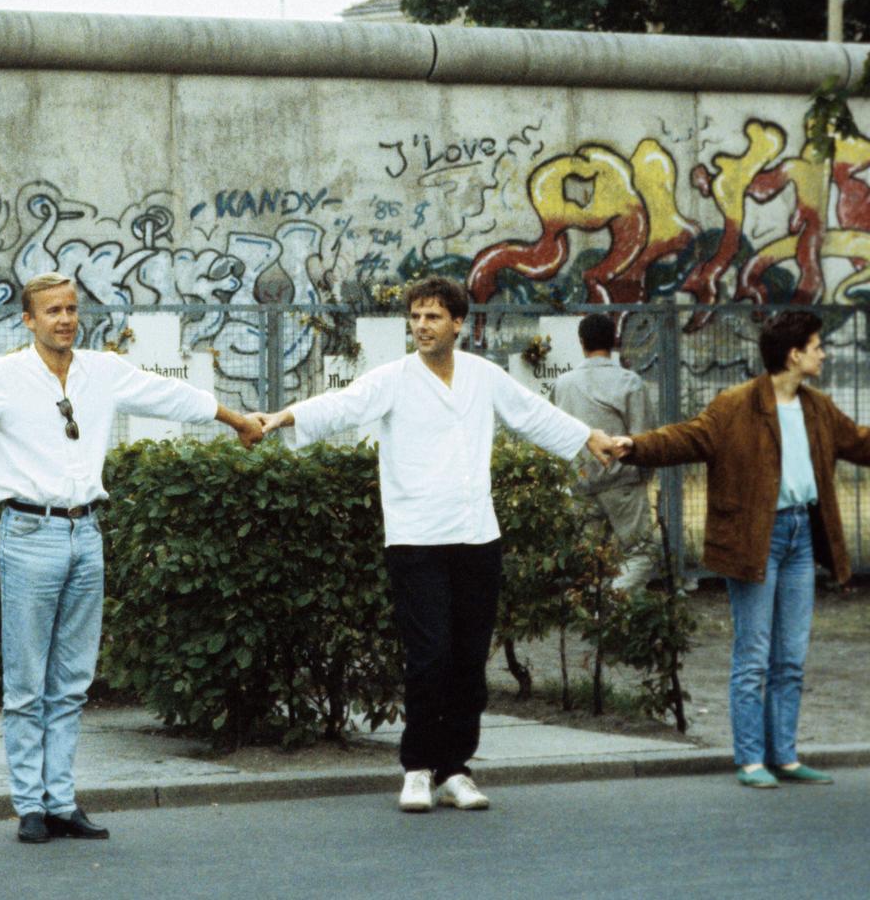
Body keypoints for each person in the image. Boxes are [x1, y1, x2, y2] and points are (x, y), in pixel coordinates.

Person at [0, 272, 263, 845]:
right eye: (52, 311)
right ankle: (29, 805)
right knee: (27, 681)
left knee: (73, 681)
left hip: (87, 534)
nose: (65, 319)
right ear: (29, 320)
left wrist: (236, 421)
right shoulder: (4, 377)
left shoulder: (101, 372)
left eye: (72, 309)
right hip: (29, 534)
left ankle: (62, 800)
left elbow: (170, 393)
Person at [250, 277, 621, 815]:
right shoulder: (394, 379)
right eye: (416, 317)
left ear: (458, 324)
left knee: (469, 660)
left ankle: (455, 770)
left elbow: (532, 413)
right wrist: (282, 417)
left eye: (432, 317)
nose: (421, 326)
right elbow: (343, 405)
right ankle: (418, 769)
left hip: (477, 537)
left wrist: (590, 436)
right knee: (429, 657)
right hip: (417, 539)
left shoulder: (482, 375)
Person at [619, 310, 868, 789]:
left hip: (799, 537)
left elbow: (859, 442)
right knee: (753, 654)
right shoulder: (736, 405)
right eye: (817, 346)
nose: (824, 353)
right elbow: (687, 437)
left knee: (791, 656)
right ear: (794, 355)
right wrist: (634, 445)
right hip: (754, 537)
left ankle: (786, 756)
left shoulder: (817, 408)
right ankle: (751, 759)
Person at [552, 314, 660, 589]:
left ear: (581, 342)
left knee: (588, 558)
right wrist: (644, 476)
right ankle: (617, 601)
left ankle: (594, 613)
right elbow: (642, 437)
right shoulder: (629, 382)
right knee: (641, 552)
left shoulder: (563, 384)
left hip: (581, 483)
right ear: (614, 341)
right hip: (623, 482)